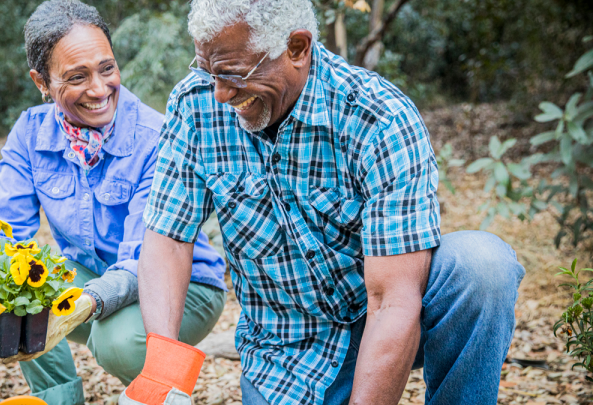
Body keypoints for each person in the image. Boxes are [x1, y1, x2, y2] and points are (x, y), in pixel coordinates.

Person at [121, 1, 526, 404]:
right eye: (208, 72)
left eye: (233, 74)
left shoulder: (377, 118)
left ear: (296, 48)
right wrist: (162, 372)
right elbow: (168, 239)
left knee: (483, 267)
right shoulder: (194, 105)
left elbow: (391, 300)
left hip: (385, 321)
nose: (221, 94)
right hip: (283, 352)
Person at [0, 1, 227, 404]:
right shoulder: (31, 133)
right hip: (93, 274)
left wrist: (91, 300)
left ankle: (162, 393)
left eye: (107, 68)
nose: (99, 89)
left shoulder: (156, 137)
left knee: (116, 340)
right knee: (19, 296)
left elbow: (145, 257)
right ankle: (58, 400)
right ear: (41, 81)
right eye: (77, 77)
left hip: (182, 286)